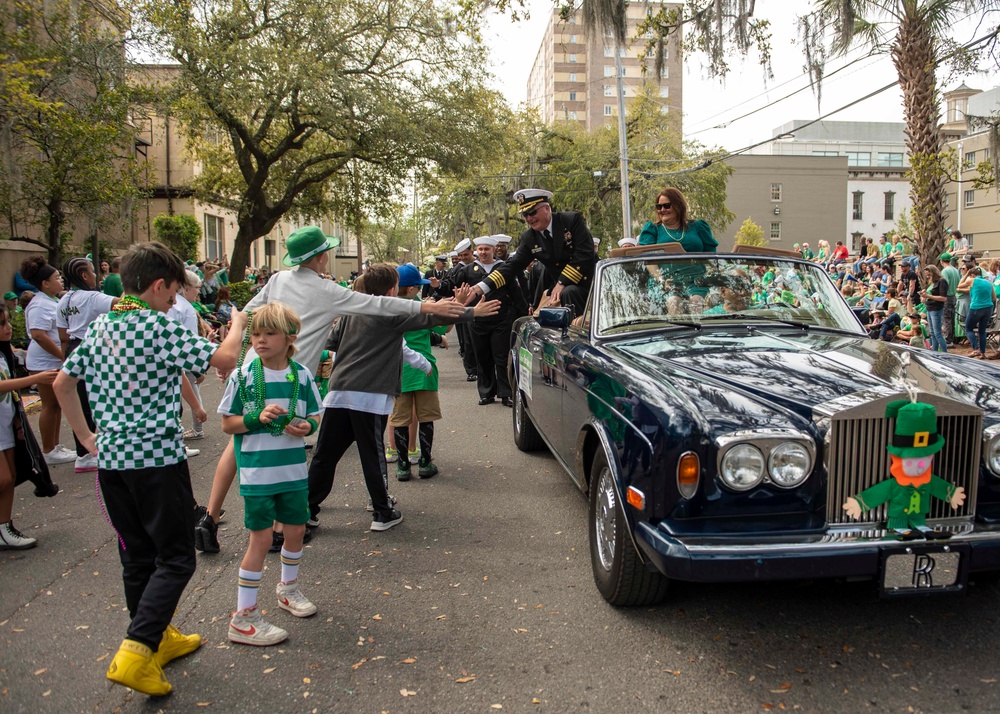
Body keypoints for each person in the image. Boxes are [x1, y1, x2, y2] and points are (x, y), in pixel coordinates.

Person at [53, 241, 250, 697]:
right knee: (178, 556)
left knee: (137, 555)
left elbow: (64, 383)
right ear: (158, 286)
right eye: (174, 295)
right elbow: (224, 359)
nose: (175, 303)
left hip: (112, 466)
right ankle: (138, 648)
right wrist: (237, 325)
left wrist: (85, 438)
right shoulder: (157, 326)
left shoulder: (102, 326)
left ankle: (156, 636)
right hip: (157, 462)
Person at [194, 226, 467, 553]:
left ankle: (209, 519)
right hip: (288, 375)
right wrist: (432, 307)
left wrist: (231, 355)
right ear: (323, 257)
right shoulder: (329, 292)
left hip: (253, 366)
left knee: (239, 444)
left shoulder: (279, 280)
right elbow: (378, 306)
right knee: (286, 447)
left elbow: (246, 314)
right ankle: (283, 528)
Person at [307, 264, 497, 532]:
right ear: (390, 289)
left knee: (325, 454)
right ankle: (382, 512)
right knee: (372, 455)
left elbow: (331, 341)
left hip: (339, 391)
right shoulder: (392, 310)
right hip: (369, 395)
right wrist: (472, 312)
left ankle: (307, 508)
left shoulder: (353, 311)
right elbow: (431, 319)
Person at [219, 302, 323, 646]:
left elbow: (314, 418)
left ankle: (287, 589)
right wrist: (256, 418)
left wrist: (305, 426)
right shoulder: (244, 376)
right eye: (255, 334)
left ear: (290, 337)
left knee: (295, 531)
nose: (260, 340)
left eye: (269, 333)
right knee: (261, 540)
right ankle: (243, 615)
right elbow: (227, 423)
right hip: (258, 474)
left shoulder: (302, 375)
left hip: (292, 473)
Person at [468, 188, 596, 317]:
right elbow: (512, 266)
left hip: (592, 283)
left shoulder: (571, 220)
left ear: (547, 208)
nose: (529, 218)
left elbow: (585, 254)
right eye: (525, 215)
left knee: (569, 293)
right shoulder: (529, 238)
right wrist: (478, 289)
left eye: (533, 212)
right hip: (564, 291)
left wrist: (562, 282)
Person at [0, 305, 58, 549]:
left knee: (11, 476)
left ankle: (4, 527)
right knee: (3, 478)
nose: (8, 327)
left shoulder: (4, 353)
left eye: (6, 322)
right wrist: (35, 379)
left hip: (6, 423)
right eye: (2, 323)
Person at [56, 257, 119, 472]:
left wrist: (66, 359)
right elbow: (121, 305)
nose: (95, 276)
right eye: (92, 271)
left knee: (81, 400)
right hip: (92, 349)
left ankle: (84, 450)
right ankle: (89, 452)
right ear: (84, 275)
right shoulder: (93, 297)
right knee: (98, 399)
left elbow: (63, 334)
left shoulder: (63, 301)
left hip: (72, 348)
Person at [390, 264, 452, 481]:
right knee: (426, 417)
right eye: (418, 287)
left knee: (399, 419)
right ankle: (425, 462)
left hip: (398, 371)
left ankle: (403, 466)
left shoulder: (388, 308)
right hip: (424, 368)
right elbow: (444, 328)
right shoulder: (422, 309)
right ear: (410, 289)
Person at [20, 256, 74, 466]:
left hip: (51, 362)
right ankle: (48, 449)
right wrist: (62, 355)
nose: (60, 280)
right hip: (44, 363)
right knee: (50, 405)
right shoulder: (39, 304)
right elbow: (38, 334)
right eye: (56, 277)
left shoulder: (50, 300)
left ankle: (55, 445)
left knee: (56, 405)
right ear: (44, 283)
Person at [637, 187, 718, 254]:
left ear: (678, 206)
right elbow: (647, 261)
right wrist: (657, 274)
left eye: (666, 205)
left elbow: (712, 258)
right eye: (659, 206)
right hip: (664, 274)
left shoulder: (698, 226)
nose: (662, 210)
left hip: (698, 273)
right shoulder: (652, 229)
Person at [964, 267, 997, 360]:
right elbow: (993, 297)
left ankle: (976, 348)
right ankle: (982, 353)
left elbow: (960, 284)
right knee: (982, 331)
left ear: (972, 275)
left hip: (976, 307)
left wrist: (966, 275)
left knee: (968, 328)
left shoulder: (972, 280)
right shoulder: (988, 283)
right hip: (988, 307)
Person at [939, 252, 960, 345]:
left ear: (941, 261)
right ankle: (953, 338)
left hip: (947, 296)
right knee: (952, 318)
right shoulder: (955, 270)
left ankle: (948, 340)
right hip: (954, 296)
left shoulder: (945, 271)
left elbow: (944, 283)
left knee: (946, 318)